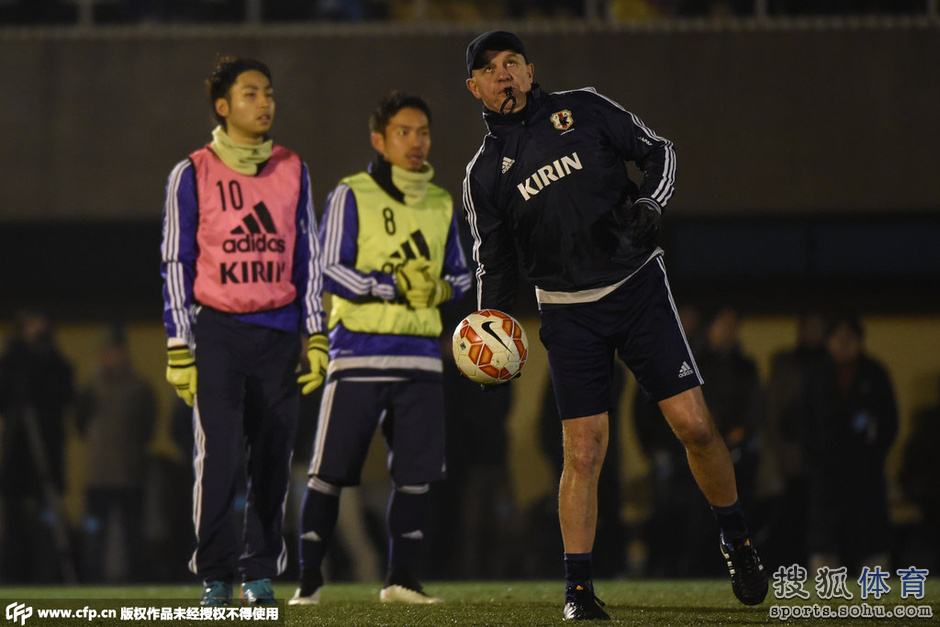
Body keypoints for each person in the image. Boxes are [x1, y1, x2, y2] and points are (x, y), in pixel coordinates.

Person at [462, 31, 768, 619]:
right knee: (584, 449)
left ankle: (737, 539)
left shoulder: (585, 108)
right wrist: (488, 333)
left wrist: (651, 203)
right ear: (473, 87)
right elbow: (493, 264)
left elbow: (659, 151)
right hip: (567, 311)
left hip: (636, 290)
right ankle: (578, 590)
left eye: (511, 63)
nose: (503, 75)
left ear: (530, 69)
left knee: (696, 427)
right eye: (488, 70)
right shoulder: (483, 175)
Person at [289, 91, 471, 606]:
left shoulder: (439, 202)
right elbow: (327, 267)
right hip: (358, 355)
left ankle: (402, 580)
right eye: (404, 132)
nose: (417, 142)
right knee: (327, 473)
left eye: (424, 132)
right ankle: (309, 583)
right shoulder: (352, 193)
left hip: (420, 359)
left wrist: (435, 289)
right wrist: (390, 286)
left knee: (416, 478)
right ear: (379, 140)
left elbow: (459, 276)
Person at [160, 56, 327, 606]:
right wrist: (180, 345)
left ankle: (259, 573)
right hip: (220, 335)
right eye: (251, 93)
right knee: (222, 457)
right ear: (222, 106)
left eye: (270, 93)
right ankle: (215, 574)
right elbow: (176, 262)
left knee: (274, 458)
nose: (265, 103)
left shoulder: (293, 169)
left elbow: (309, 257)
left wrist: (316, 333)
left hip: (278, 334)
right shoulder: (192, 172)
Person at [806, 313, 898, 573]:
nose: (844, 344)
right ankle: (825, 601)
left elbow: (890, 423)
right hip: (826, 475)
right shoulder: (816, 376)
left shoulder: (876, 374)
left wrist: (874, 455)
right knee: (825, 546)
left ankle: (876, 603)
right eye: (838, 337)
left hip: (866, 474)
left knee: (871, 545)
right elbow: (804, 423)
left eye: (850, 338)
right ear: (828, 341)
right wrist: (815, 459)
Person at [76, 323, 156, 582]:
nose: (110, 356)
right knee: (95, 533)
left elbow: (147, 427)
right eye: (107, 351)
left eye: (115, 350)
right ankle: (92, 579)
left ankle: (137, 579)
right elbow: (79, 423)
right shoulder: (90, 388)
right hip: (98, 475)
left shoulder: (139, 387)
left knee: (133, 532)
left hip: (130, 473)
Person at [0, 310, 75, 583]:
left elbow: (65, 395)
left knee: (48, 520)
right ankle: (12, 574)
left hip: (47, 448)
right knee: (15, 520)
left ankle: (50, 574)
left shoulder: (55, 362)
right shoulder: (11, 362)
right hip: (17, 451)